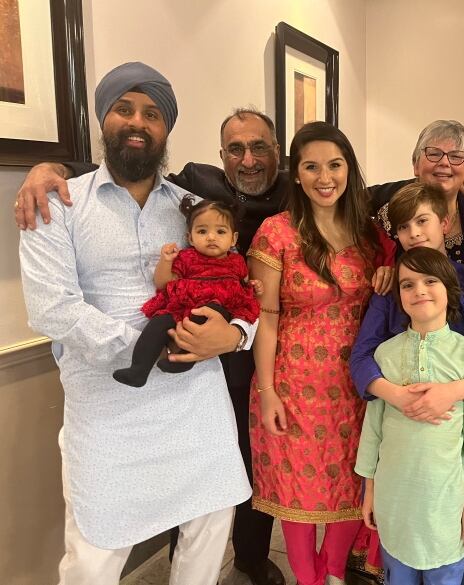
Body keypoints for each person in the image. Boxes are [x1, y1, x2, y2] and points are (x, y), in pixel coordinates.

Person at [14, 107, 287, 584]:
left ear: (168, 130)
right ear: (103, 120)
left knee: (208, 528)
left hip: (196, 404)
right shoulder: (57, 202)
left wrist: (236, 336)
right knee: (94, 555)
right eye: (124, 109)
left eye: (153, 114)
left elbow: (241, 293)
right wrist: (150, 347)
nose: (138, 123)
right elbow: (52, 309)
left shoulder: (189, 205)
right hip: (107, 407)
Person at [349, 182, 464, 584]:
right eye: (404, 228)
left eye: (422, 221)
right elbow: (360, 358)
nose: (415, 234)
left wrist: (453, 391)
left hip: (461, 438)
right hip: (404, 447)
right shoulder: (392, 288)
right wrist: (395, 395)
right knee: (405, 543)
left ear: (444, 223)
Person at [248, 121, 395, 585]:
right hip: (292, 383)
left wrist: (389, 274)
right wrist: (268, 390)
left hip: (354, 384)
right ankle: (309, 580)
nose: (324, 177)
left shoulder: (369, 235)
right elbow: (265, 316)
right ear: (296, 174)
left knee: (350, 483)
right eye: (311, 166)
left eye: (335, 164)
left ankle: (335, 574)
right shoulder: (277, 233)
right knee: (297, 491)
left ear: (349, 168)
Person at [355, 246, 464, 585]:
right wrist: (369, 493)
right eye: (407, 284)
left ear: (449, 289)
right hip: (394, 503)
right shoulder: (385, 355)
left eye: (430, 280)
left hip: (447, 507)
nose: (419, 291)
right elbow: (372, 432)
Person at [113, 196, 259, 387]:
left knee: (206, 323)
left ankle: (184, 360)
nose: (211, 237)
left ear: (234, 238)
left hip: (217, 308)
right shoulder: (187, 257)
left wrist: (255, 285)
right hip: (182, 306)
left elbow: (245, 284)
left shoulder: (236, 261)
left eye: (220, 231)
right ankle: (139, 368)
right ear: (190, 237)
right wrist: (166, 261)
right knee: (158, 323)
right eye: (202, 231)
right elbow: (164, 283)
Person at [373, 119, 464, 277]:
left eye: (456, 156)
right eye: (434, 154)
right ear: (415, 165)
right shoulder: (388, 217)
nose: (445, 162)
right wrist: (383, 270)